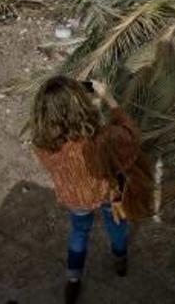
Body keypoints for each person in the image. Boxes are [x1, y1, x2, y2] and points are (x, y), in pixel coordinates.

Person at [28, 76, 142, 304]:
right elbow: (132, 135)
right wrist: (109, 99)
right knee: (117, 228)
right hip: (110, 193)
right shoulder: (100, 138)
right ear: (79, 104)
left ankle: (73, 280)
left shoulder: (41, 142)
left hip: (75, 197)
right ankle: (120, 260)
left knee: (79, 234)